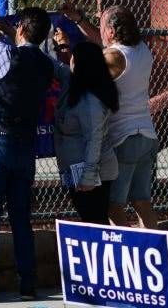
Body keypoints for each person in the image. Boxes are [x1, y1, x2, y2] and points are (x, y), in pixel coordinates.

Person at [0, 7, 54, 302]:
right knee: (21, 218)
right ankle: (27, 284)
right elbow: (28, 45)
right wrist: (11, 30)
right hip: (25, 147)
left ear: (20, 29)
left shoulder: (7, 54)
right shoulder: (47, 64)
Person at [60, 1, 157, 229]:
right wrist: (80, 21)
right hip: (146, 134)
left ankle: (124, 248)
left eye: (102, 26)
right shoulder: (141, 49)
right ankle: (155, 247)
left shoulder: (113, 57)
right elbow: (102, 42)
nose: (100, 31)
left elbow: (83, 71)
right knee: (142, 202)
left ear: (112, 31)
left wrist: (66, 48)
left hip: (124, 137)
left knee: (114, 206)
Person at [52, 37, 120, 224]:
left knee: (95, 222)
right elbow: (55, 67)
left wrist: (88, 177)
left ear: (81, 64)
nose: (70, 60)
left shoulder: (91, 101)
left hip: (93, 174)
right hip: (76, 169)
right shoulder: (74, 81)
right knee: (90, 219)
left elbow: (94, 139)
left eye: (73, 57)